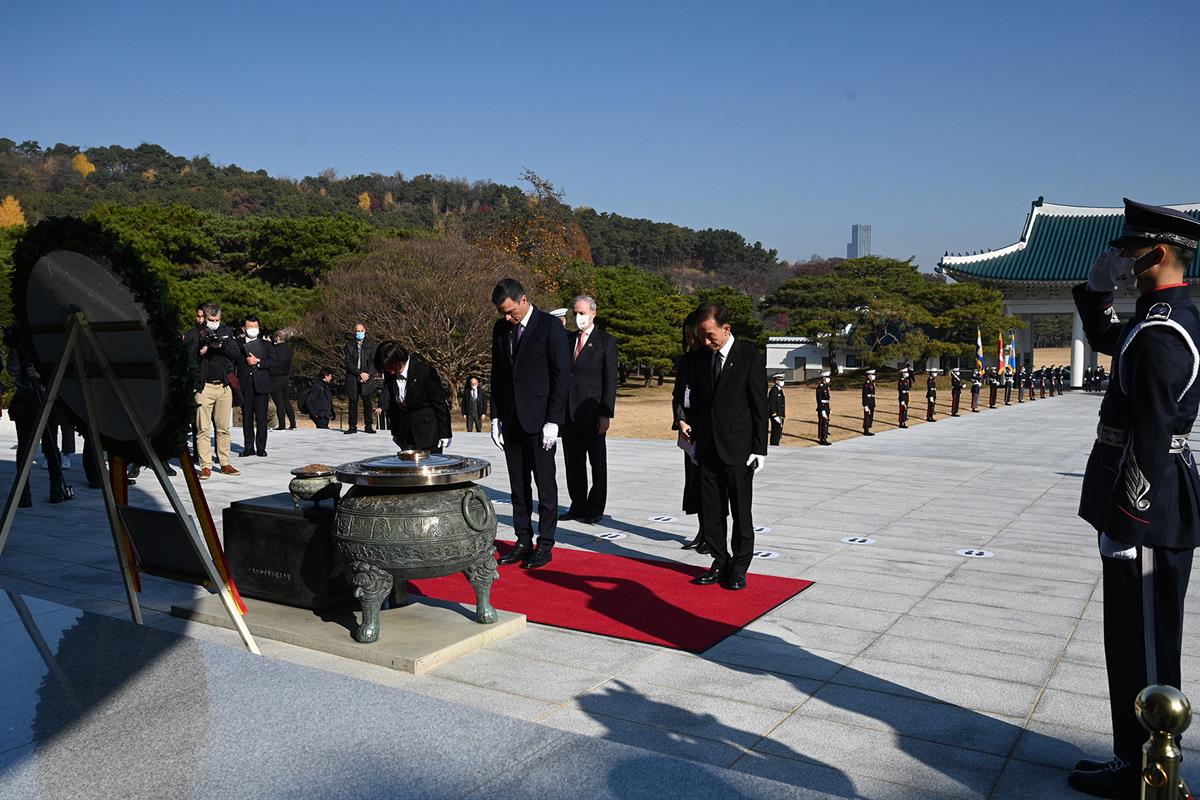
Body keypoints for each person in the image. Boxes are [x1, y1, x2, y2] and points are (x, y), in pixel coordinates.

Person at [1067, 199, 1200, 799]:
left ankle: (1153, 768)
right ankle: (1133, 754)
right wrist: (1095, 293)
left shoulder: (1164, 331)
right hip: (1143, 502)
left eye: (1127, 250)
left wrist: (1130, 518)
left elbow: (1151, 429)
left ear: (1156, 252)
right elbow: (1109, 339)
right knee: (1128, 641)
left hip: (1148, 508)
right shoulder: (1156, 319)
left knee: (1145, 646)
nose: (1118, 258)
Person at [680, 303, 767, 591]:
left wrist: (760, 448)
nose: (705, 342)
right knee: (712, 509)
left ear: (726, 329)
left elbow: (759, 406)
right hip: (707, 448)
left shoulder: (748, 356)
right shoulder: (702, 358)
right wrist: (689, 431)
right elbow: (697, 400)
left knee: (741, 511)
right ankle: (719, 560)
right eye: (701, 336)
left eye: (710, 335)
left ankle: (740, 567)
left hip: (739, 449)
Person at [489, 278, 570, 570]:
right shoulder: (501, 329)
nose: (508, 318)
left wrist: (553, 421)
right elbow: (497, 375)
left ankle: (545, 544)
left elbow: (562, 377)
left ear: (523, 300)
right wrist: (496, 415)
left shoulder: (550, 327)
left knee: (545, 486)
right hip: (512, 419)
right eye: (503, 313)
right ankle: (522, 540)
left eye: (511, 311)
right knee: (518, 487)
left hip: (540, 420)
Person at [562, 295, 618, 524]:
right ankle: (578, 504)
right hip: (569, 413)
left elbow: (610, 380)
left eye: (582, 312)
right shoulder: (567, 340)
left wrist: (606, 413)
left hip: (594, 412)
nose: (578, 317)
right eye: (575, 312)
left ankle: (595, 508)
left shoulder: (605, 341)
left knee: (597, 463)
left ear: (593, 313)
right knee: (572, 463)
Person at [5, 328, 71, 506]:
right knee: (25, 450)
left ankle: (56, 488)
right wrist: (15, 349)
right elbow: (12, 371)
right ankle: (23, 493)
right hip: (26, 402)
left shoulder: (48, 340)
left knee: (51, 447)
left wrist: (41, 375)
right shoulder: (20, 345)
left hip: (47, 400)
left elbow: (63, 368)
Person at [374, 340, 452, 453]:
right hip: (405, 433)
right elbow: (393, 404)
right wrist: (395, 431)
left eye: (391, 367)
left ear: (399, 360)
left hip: (427, 432)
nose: (390, 372)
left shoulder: (424, 371)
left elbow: (440, 404)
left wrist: (445, 433)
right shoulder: (390, 375)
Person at [673, 310, 709, 552]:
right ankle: (701, 530)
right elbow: (677, 394)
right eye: (687, 336)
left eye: (693, 335)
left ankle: (711, 534)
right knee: (694, 483)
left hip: (707, 427)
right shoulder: (685, 361)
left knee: (708, 484)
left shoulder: (709, 359)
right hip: (689, 429)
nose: (690, 341)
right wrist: (681, 421)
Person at [193, 304, 240, 480]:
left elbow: (236, 354)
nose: (214, 323)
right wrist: (202, 351)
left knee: (223, 428)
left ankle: (225, 463)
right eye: (211, 320)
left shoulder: (227, 331)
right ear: (204, 317)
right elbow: (190, 358)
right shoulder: (197, 333)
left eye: (217, 320)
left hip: (223, 386)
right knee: (203, 428)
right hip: (204, 386)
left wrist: (221, 346)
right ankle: (205, 466)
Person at [238, 315, 274, 458]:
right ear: (244, 328)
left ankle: (261, 447)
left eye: (255, 326)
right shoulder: (239, 344)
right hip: (245, 384)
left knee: (261, 418)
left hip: (261, 384)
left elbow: (274, 362)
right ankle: (248, 447)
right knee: (246, 417)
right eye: (250, 326)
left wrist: (258, 362)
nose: (253, 329)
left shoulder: (266, 345)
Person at [342, 322, 378, 435]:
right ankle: (352, 426)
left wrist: (367, 374)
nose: (359, 333)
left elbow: (374, 362)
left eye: (361, 331)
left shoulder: (371, 345)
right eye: (357, 331)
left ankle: (368, 426)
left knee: (367, 402)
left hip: (367, 378)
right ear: (354, 332)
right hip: (353, 377)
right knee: (353, 402)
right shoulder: (349, 345)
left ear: (365, 331)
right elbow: (348, 362)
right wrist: (359, 373)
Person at [270, 330, 296, 431]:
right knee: (286, 401)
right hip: (285, 377)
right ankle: (293, 423)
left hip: (275, 378)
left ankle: (282, 425)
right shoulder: (289, 349)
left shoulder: (274, 349)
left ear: (277, 338)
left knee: (279, 403)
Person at [767, 374, 786, 446]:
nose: (782, 382)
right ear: (776, 381)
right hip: (776, 415)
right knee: (775, 432)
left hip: (780, 415)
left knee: (778, 432)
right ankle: (774, 445)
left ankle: (776, 444)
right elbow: (771, 404)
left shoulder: (780, 391)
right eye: (781, 380)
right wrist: (774, 415)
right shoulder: (773, 391)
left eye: (783, 380)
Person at [815, 371, 832, 445]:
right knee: (823, 423)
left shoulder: (826, 386)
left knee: (826, 423)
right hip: (822, 408)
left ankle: (825, 437)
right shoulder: (820, 387)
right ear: (823, 378)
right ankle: (822, 439)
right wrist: (822, 410)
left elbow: (827, 400)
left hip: (826, 407)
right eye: (827, 377)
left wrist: (829, 408)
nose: (829, 379)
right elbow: (819, 400)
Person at [861, 369, 876, 435]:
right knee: (867, 416)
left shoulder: (872, 383)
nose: (873, 376)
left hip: (872, 401)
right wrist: (865, 405)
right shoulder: (866, 384)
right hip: (868, 401)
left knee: (871, 416)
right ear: (868, 375)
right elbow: (864, 395)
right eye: (872, 374)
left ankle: (868, 428)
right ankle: (866, 430)